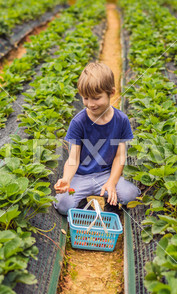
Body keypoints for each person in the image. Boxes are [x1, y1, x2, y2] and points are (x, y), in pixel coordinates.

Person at [53, 62, 141, 215]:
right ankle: (80, 202)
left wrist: (112, 183)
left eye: (96, 98)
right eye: (85, 98)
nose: (90, 104)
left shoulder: (121, 120)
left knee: (130, 196)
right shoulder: (78, 122)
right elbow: (73, 158)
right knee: (63, 204)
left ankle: (110, 201)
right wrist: (67, 179)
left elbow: (120, 156)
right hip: (80, 177)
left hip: (106, 175)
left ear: (111, 93)